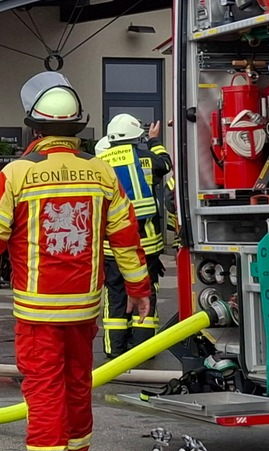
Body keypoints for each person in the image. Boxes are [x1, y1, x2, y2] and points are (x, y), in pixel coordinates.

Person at [0, 72, 152, 451]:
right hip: (83, 309)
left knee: (44, 388)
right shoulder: (101, 172)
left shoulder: (17, 173)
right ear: (77, 126)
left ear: (34, 125)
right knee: (78, 384)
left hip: (37, 311)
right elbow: (127, 238)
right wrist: (138, 288)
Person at [97, 113, 173, 357]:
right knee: (146, 292)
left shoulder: (100, 162)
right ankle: (142, 349)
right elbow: (166, 164)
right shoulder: (147, 158)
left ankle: (114, 349)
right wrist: (153, 140)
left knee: (115, 294)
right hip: (147, 245)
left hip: (112, 246)